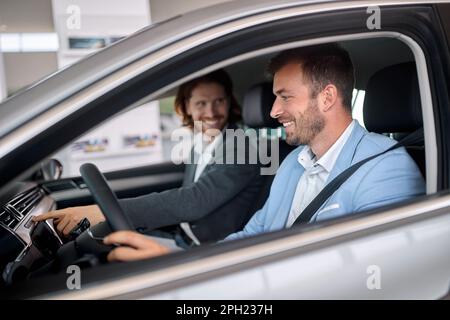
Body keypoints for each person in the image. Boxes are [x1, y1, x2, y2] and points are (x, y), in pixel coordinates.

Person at [46, 43, 427, 262]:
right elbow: (256, 232)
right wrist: (184, 264)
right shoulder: (295, 161)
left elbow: (361, 274)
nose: (273, 111)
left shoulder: (387, 170)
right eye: (274, 97)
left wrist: (186, 269)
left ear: (327, 96)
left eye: (284, 97)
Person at [34, 69, 264, 248]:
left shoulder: (241, 145)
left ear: (229, 101)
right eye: (201, 103)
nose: (212, 112)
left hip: (208, 249)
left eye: (219, 101)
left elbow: (195, 200)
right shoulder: (202, 141)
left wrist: (102, 212)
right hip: (182, 236)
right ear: (187, 106)